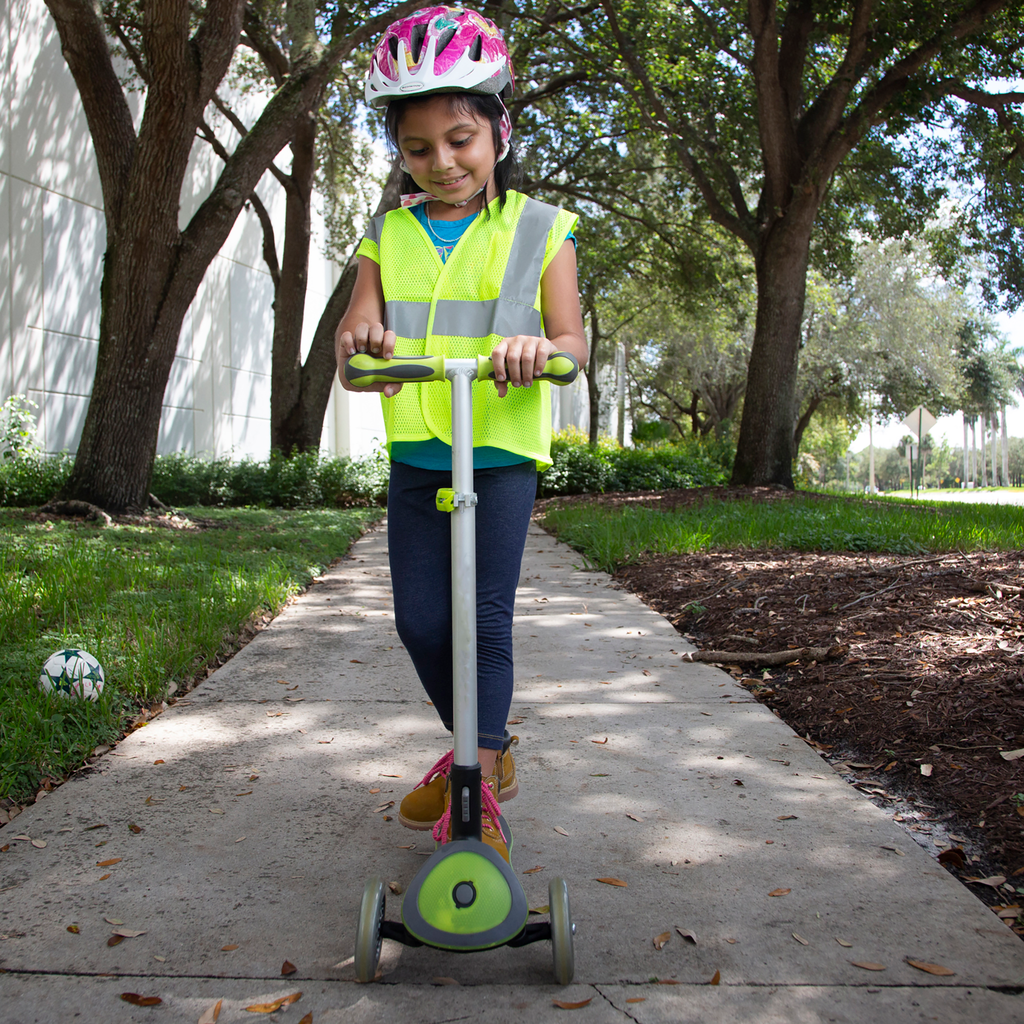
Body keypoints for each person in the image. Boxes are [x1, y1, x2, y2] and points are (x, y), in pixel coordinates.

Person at [335, 5, 587, 862]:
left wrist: (538, 350)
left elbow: (571, 344)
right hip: (417, 452)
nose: (441, 163)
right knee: (421, 624)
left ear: (498, 132)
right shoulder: (385, 234)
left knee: (482, 624)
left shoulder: (540, 230)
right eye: (417, 148)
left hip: (502, 453)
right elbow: (353, 342)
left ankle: (475, 791)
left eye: (459, 139)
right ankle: (488, 751)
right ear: (399, 153)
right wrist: (361, 345)